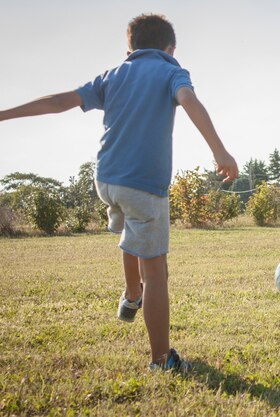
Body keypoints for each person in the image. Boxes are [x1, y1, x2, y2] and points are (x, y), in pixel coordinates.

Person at [0, 14, 238, 367]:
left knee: (131, 231)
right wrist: (220, 150)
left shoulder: (112, 75)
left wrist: (3, 114)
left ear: (129, 47)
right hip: (143, 184)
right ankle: (162, 359)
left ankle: (130, 294)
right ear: (171, 48)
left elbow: (58, 101)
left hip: (107, 180)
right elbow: (189, 100)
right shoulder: (173, 71)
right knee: (157, 271)